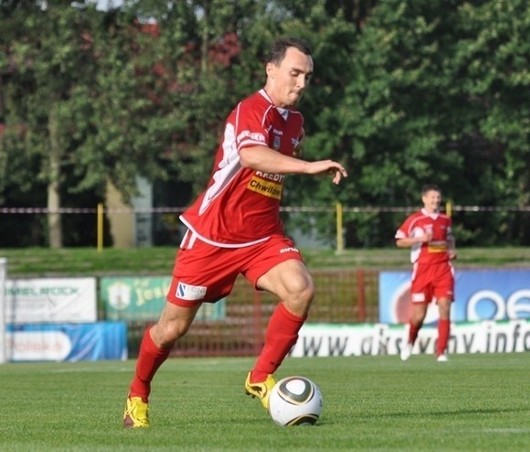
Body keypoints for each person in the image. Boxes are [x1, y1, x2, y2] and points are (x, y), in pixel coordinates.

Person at [122, 37, 347, 428]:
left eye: (307, 76)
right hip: (212, 237)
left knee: (300, 288)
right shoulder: (251, 109)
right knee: (172, 328)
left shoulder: (295, 123)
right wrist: (310, 166)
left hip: (262, 237)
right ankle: (137, 396)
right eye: (294, 73)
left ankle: (260, 377)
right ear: (270, 69)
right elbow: (251, 156)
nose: (301, 83)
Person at [394, 184, 456, 363]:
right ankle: (410, 341)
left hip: (443, 269)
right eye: (432, 197)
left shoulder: (445, 220)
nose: (435, 201)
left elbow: (450, 238)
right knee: (419, 315)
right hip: (423, 270)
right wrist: (419, 239)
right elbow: (399, 241)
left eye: (438, 197)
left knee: (444, 307)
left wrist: (452, 250)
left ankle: (441, 352)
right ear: (424, 199)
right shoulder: (415, 219)